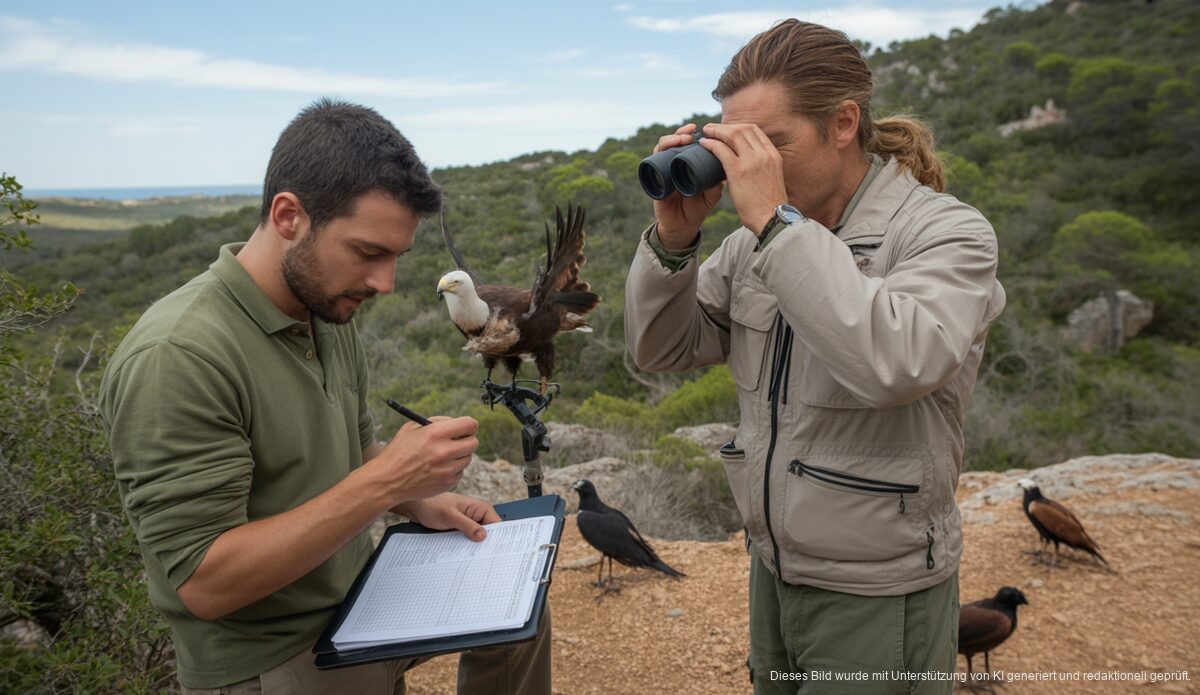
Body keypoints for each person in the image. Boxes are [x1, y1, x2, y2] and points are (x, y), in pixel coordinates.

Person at [99, 99, 550, 694]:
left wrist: (418, 501)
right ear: (289, 215)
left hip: (359, 601)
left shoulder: (326, 311)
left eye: (396, 258)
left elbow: (350, 449)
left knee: (522, 610)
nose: (384, 283)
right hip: (276, 658)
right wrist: (389, 483)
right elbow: (205, 583)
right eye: (368, 253)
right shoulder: (179, 355)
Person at [624, 20, 1005, 693]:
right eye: (735, 147)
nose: (752, 168)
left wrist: (775, 225)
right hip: (774, 569)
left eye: (770, 145)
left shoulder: (945, 232)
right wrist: (674, 240)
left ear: (843, 123)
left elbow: (896, 361)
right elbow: (661, 347)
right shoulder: (750, 245)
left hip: (879, 589)